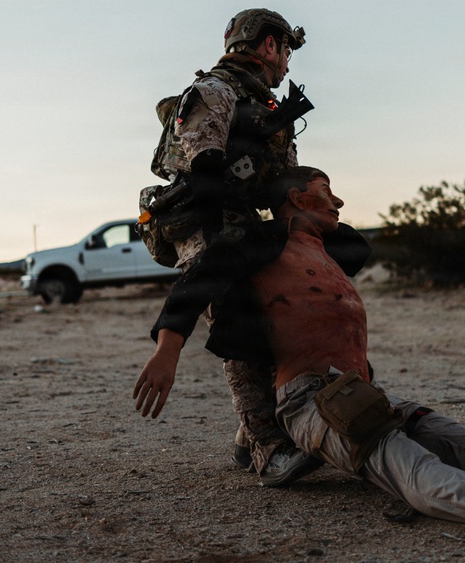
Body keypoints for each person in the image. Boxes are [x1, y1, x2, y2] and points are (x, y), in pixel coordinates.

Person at [135, 166, 465, 533]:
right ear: (297, 197)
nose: (340, 203)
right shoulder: (259, 248)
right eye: (326, 192)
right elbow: (193, 287)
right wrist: (166, 352)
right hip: (309, 401)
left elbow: (349, 235)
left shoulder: (330, 252)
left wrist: (314, 213)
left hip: (362, 391)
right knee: (402, 462)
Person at [144, 8, 317, 485]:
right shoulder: (213, 92)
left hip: (244, 221)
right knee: (237, 317)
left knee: (284, 311)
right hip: (204, 220)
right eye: (284, 50)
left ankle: (251, 432)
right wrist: (228, 249)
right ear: (267, 46)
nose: (287, 63)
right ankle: (267, 447)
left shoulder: (267, 109)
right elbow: (204, 177)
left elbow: (284, 182)